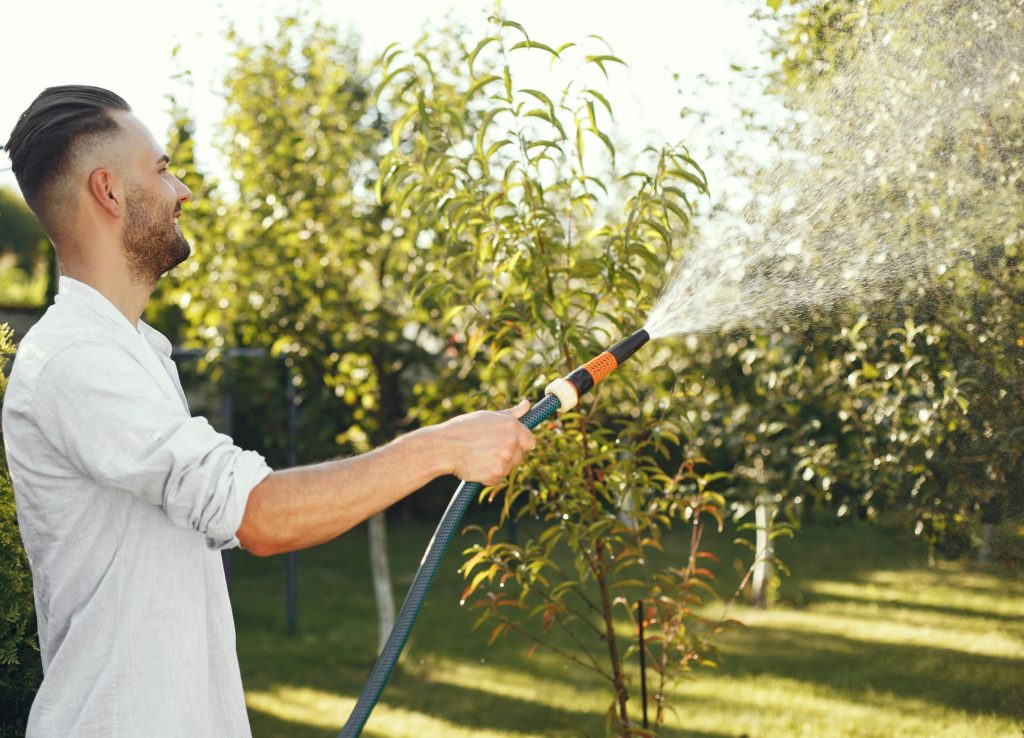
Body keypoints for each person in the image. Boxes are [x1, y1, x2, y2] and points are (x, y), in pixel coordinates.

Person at [0, 85, 536, 737]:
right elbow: (259, 517)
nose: (183, 192)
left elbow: (229, 512)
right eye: (163, 170)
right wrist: (441, 448)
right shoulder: (76, 361)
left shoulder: (133, 351)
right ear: (109, 192)